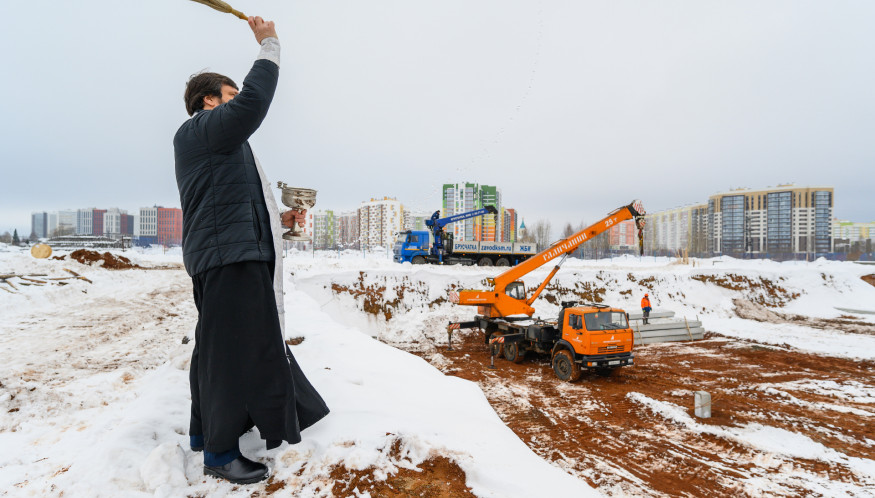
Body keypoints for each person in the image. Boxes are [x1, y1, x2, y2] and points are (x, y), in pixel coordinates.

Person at [174, 16, 329, 485]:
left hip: (230, 255)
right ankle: (220, 452)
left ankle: (205, 433)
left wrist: (280, 223)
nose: (238, 98)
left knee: (217, 349)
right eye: (230, 93)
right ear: (209, 100)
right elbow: (254, 102)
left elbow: (230, 207)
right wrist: (269, 45)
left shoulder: (218, 145)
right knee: (229, 355)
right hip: (229, 260)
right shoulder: (205, 128)